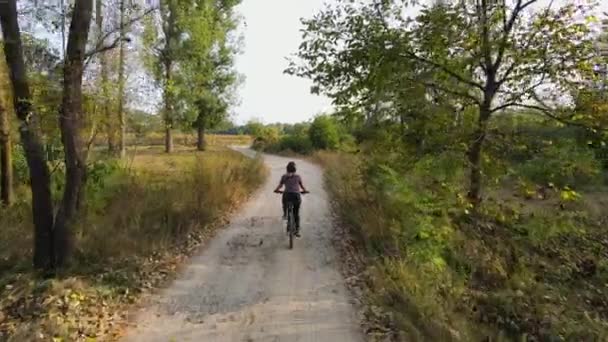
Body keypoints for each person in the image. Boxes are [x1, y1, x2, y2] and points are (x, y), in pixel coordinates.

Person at [274, 161, 308, 237]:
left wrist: (276, 190)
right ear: (295, 170)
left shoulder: (284, 176)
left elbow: (280, 185)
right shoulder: (298, 177)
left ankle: (285, 213)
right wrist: (305, 191)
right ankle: (297, 230)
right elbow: (302, 186)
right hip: (296, 196)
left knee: (284, 202)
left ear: (287, 169)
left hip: (287, 195)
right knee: (296, 214)